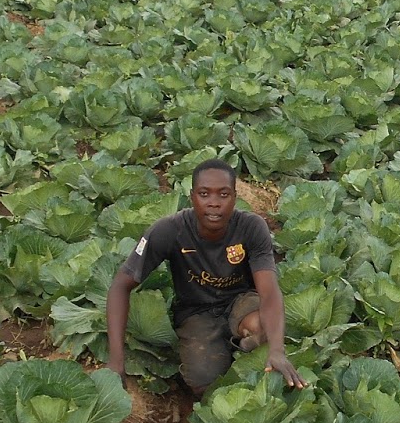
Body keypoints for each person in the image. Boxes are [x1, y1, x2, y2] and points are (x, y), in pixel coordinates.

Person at [106, 158, 306, 396]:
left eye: (223, 194)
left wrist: (277, 350)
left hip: (241, 301)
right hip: (196, 313)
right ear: (192, 196)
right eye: (204, 194)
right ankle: (234, 350)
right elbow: (120, 286)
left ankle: (245, 345)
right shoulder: (169, 230)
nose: (214, 203)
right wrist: (116, 361)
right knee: (203, 383)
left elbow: (269, 292)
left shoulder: (252, 227)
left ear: (234, 196)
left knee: (264, 329)